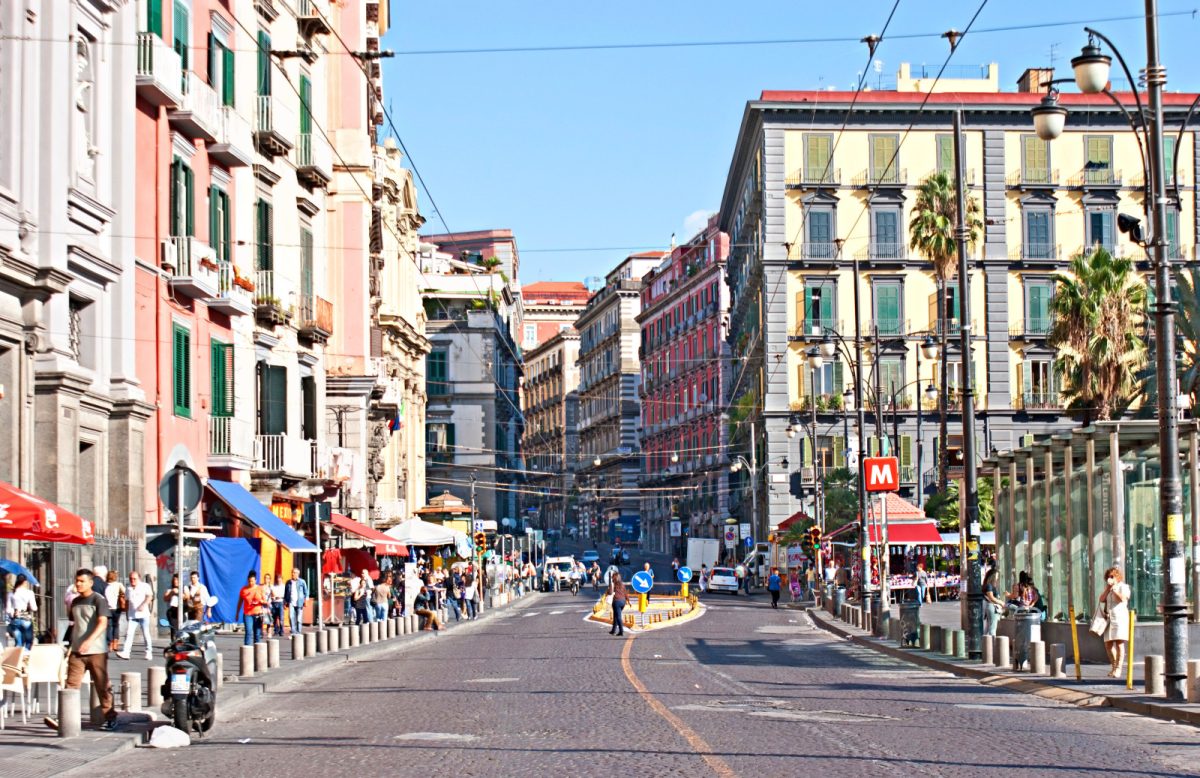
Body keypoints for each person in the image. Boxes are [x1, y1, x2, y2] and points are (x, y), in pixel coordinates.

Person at [65, 568, 119, 730]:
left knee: (102, 685)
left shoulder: (98, 600)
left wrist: (89, 640)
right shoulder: (75, 601)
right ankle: (67, 719)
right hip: (77, 651)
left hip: (96, 651)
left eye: (82, 581)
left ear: (90, 582)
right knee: (71, 686)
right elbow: (74, 623)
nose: (78, 584)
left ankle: (110, 717)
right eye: (77, 580)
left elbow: (103, 623)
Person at [1099, 567, 1132, 677]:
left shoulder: (1123, 587)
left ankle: (1118, 668)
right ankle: (1113, 666)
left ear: (1117, 577)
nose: (1110, 578)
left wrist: (1114, 589)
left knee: (1119, 643)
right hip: (1109, 618)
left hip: (1119, 617)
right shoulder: (1108, 588)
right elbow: (1101, 599)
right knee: (1107, 644)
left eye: (1112, 576)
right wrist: (1108, 589)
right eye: (1108, 576)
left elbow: (1122, 599)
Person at [118, 570, 154, 660]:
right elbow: (126, 601)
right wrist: (126, 613)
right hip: (132, 615)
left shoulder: (145, 586)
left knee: (146, 633)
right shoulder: (128, 588)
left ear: (139, 578)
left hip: (143, 614)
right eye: (131, 579)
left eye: (134, 579)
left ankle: (148, 652)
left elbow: (150, 596)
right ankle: (126, 652)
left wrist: (144, 604)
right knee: (129, 633)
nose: (132, 581)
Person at [5, 573, 37, 649]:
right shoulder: (29, 593)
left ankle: (17, 659)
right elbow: (34, 608)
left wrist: (14, 612)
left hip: (15, 620)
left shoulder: (11, 593)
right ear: (25, 582)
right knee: (28, 642)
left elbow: (8, 610)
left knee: (18, 643)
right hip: (26, 619)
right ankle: (25, 659)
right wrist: (28, 606)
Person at [236, 572, 266, 646]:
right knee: (248, 632)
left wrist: (260, 601)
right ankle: (247, 650)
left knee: (257, 634)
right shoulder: (244, 589)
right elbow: (240, 602)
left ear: (255, 580)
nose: (251, 583)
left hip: (257, 614)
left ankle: (258, 651)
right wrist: (237, 613)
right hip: (247, 614)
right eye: (249, 581)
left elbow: (265, 602)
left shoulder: (260, 588)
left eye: (252, 581)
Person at [102, 570, 124, 652]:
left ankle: (110, 644)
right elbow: (125, 592)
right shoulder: (118, 585)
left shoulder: (105, 585)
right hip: (117, 608)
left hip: (107, 608)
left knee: (109, 626)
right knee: (116, 625)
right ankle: (115, 643)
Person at [283, 568, 309, 635]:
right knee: (291, 617)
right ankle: (293, 632)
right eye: (292, 572)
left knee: (298, 618)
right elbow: (286, 593)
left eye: (294, 572)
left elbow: (306, 592)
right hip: (291, 602)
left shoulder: (302, 582)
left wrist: (306, 600)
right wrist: (285, 602)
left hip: (299, 602)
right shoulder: (288, 582)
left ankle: (298, 632)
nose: (293, 574)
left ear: (298, 574)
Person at [982, 567, 1004, 636]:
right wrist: (1001, 602)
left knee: (989, 627)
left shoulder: (989, 585)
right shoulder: (989, 586)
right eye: (997, 576)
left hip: (991, 607)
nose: (997, 578)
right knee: (992, 628)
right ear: (993, 576)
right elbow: (991, 597)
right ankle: (992, 644)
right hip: (992, 607)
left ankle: (986, 643)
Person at [608, 571, 628, 637]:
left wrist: (609, 587)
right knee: (616, 615)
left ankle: (621, 631)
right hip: (623, 601)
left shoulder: (613, 584)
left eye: (612, 578)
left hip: (617, 601)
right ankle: (613, 630)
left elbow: (610, 593)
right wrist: (627, 600)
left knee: (618, 616)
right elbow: (625, 593)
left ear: (614, 578)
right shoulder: (622, 584)